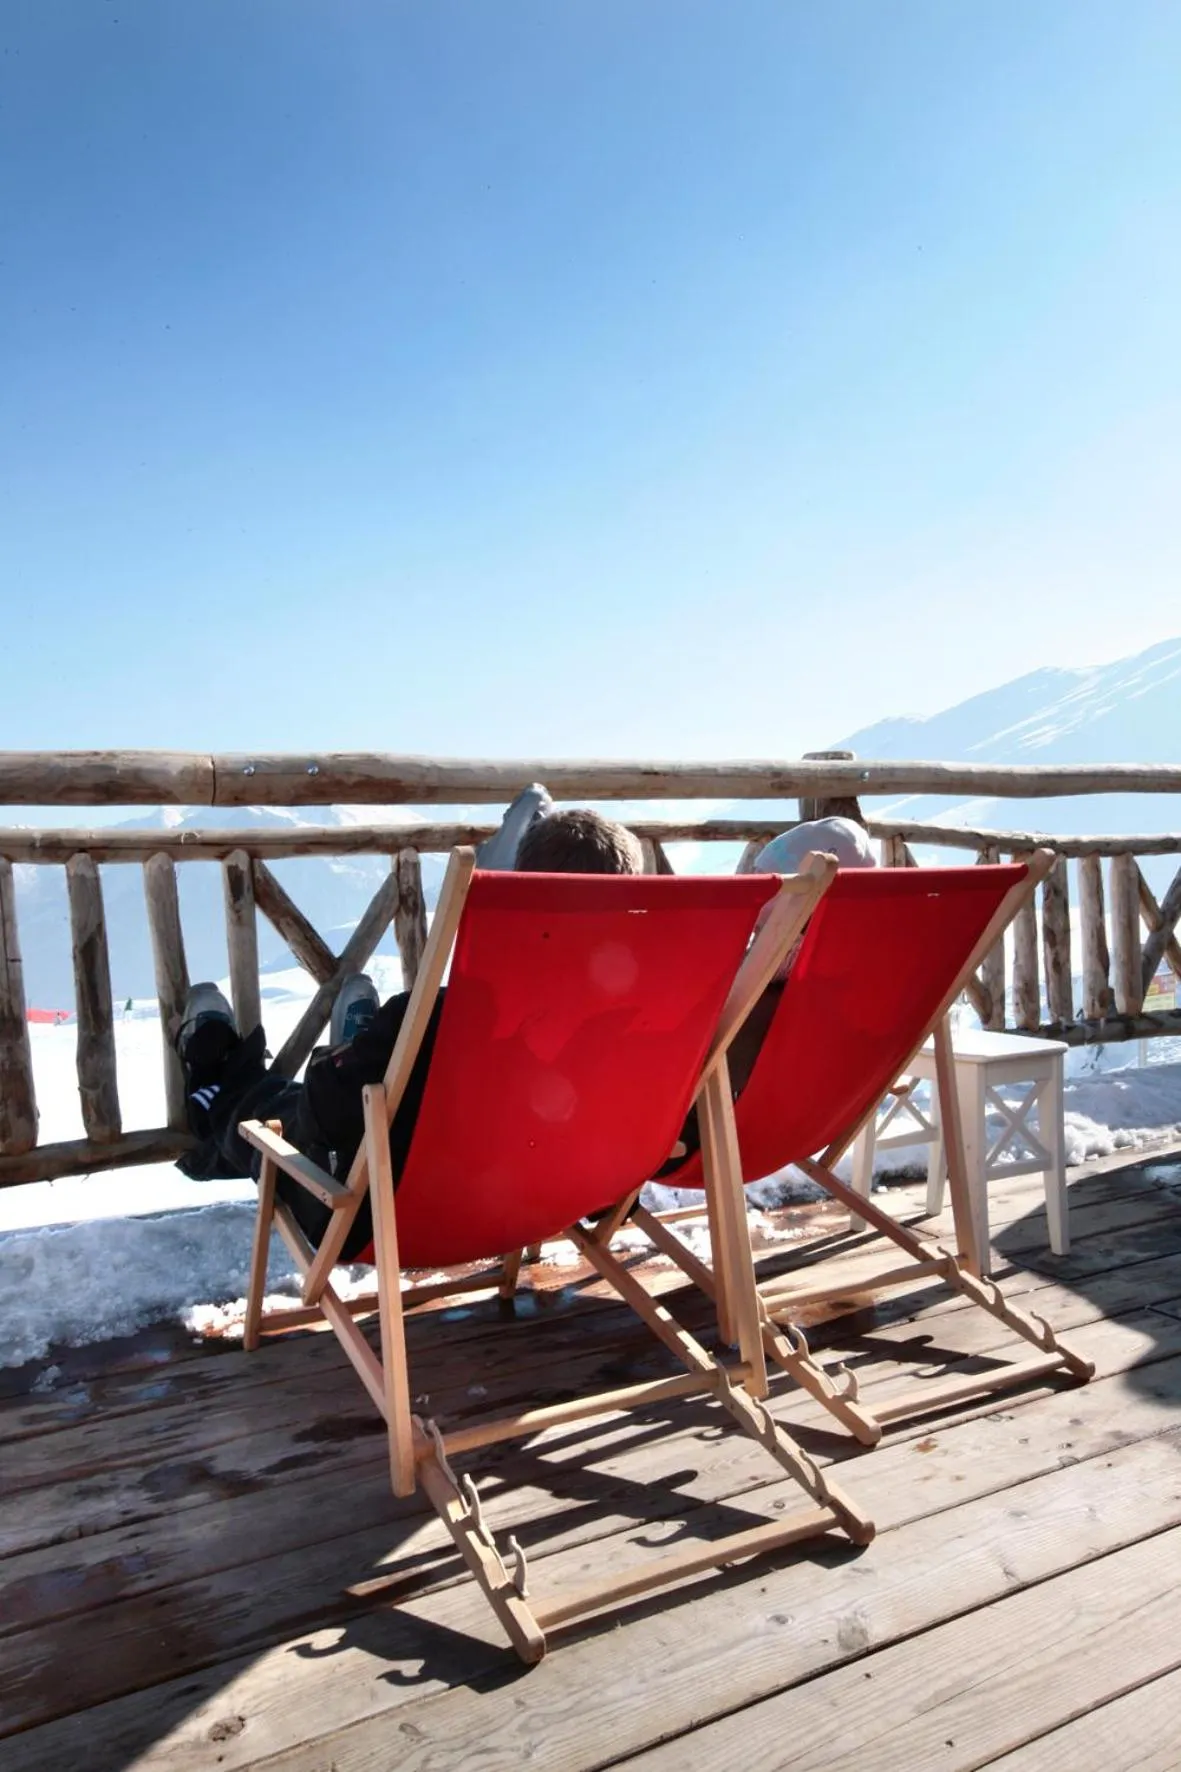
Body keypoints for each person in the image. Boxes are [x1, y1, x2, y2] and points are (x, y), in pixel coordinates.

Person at [174, 799, 643, 1258]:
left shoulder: (438, 1023)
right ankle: (341, 1064)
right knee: (368, 1090)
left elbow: (326, 1111)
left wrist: (339, 1063)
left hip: (377, 1222)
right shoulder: (632, 1030)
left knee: (270, 1111)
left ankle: (218, 1084)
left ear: (517, 898)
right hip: (544, 1204)